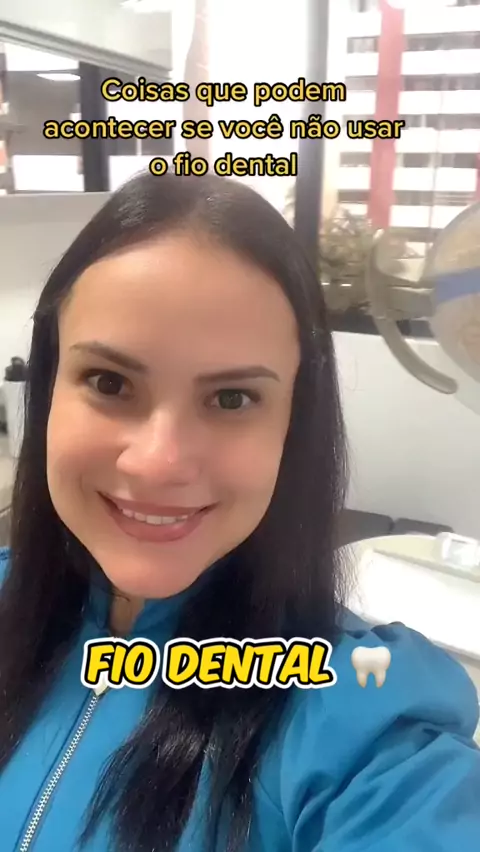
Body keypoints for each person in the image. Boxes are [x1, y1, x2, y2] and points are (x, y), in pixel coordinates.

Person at [0, 172, 478, 852]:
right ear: (49, 390)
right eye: (109, 382)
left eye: (231, 399)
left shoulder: (360, 719)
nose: (158, 462)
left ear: (293, 424)